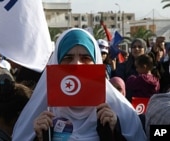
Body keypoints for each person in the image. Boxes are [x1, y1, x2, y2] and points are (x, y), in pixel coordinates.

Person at [12, 28, 146, 141]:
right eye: (68, 58)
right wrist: (40, 137)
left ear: (97, 62)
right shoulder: (42, 113)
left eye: (85, 58)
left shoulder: (123, 114)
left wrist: (114, 132)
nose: (76, 64)